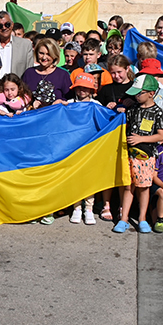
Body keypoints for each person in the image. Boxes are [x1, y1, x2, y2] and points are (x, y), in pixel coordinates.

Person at [115, 74, 163, 234]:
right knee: (128, 186)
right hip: (129, 156)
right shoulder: (133, 109)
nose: (136, 96)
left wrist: (140, 139)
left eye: (140, 93)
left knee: (143, 188)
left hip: (146, 157)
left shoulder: (158, 112)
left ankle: (142, 218)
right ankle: (124, 219)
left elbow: (161, 135)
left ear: (151, 93)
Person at [66, 73, 102, 226]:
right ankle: (76, 208)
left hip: (90, 149)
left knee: (88, 179)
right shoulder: (69, 103)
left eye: (86, 88)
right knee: (74, 178)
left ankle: (88, 208)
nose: (82, 90)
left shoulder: (97, 105)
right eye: (79, 87)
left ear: (91, 90)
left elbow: (105, 121)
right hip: (73, 148)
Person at [23, 38, 71, 108]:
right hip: (33, 115)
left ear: (54, 55)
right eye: (41, 53)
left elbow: (69, 99)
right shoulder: (29, 73)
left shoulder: (63, 75)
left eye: (48, 54)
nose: (44, 57)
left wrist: (60, 101)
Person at [139, 58, 163, 124]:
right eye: (149, 75)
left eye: (155, 75)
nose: (151, 78)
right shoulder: (137, 92)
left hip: (158, 129)